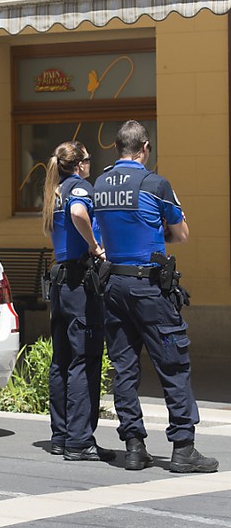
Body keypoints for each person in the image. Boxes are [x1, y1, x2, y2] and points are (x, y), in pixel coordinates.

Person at [93, 120, 217, 473]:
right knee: (174, 365)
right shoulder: (155, 183)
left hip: (113, 286)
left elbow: (100, 234)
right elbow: (181, 233)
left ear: (118, 148)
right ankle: (183, 448)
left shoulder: (100, 185)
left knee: (125, 368)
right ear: (145, 148)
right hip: (148, 287)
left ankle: (134, 447)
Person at [41, 141, 114, 462]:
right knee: (84, 359)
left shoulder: (54, 191)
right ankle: (80, 441)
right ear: (81, 164)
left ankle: (61, 436)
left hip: (60, 281)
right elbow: (79, 212)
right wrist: (96, 247)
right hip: (78, 282)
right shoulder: (78, 188)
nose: (90, 165)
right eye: (88, 160)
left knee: (62, 360)